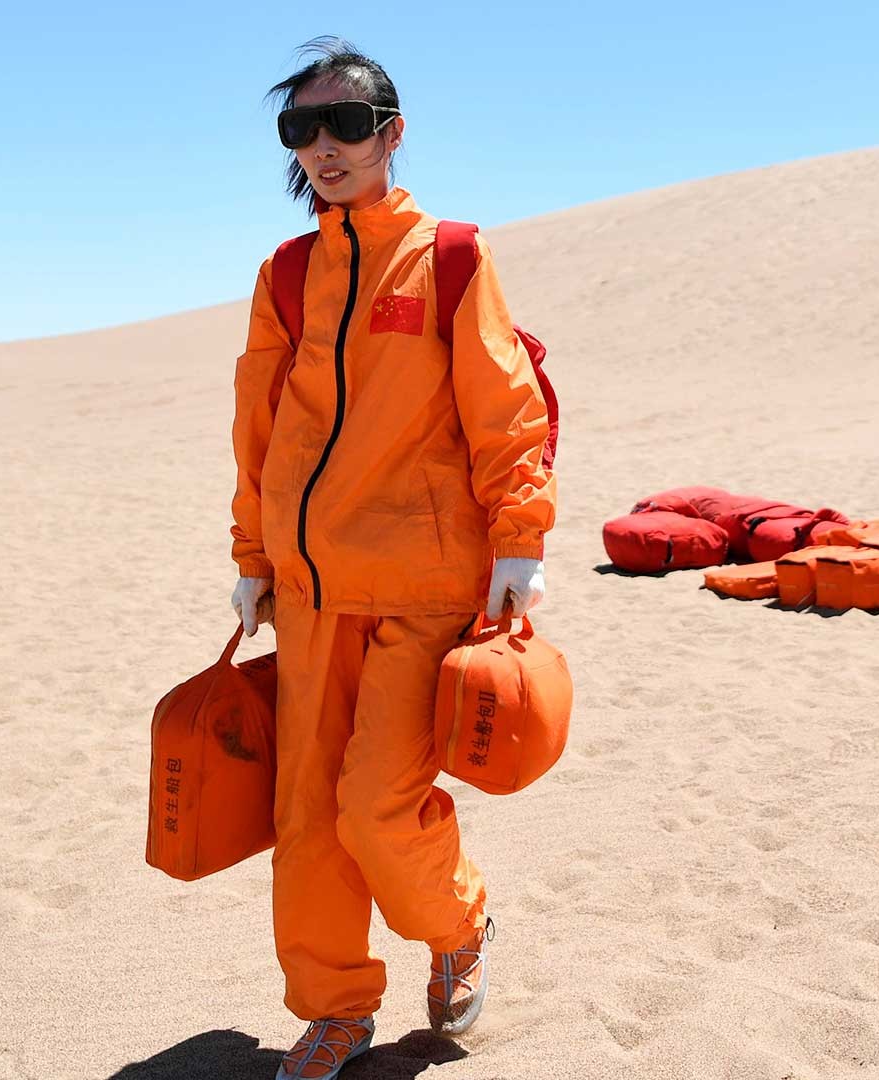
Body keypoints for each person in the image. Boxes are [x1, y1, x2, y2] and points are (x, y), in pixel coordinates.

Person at [227, 37, 555, 1080]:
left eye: (347, 123)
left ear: (391, 131)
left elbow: (505, 405)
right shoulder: (284, 275)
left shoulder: (451, 255)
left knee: (376, 803)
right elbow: (263, 432)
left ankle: (460, 928)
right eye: (302, 129)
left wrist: (519, 536)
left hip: (424, 585)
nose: (325, 146)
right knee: (310, 817)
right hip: (313, 593)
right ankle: (334, 1008)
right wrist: (252, 555)